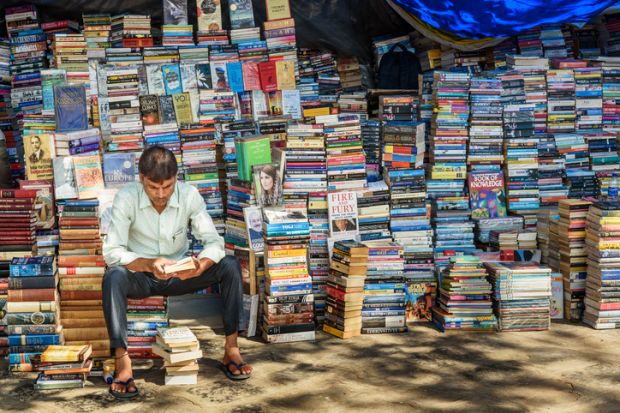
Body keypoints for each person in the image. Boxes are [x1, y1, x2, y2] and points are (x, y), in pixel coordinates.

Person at [102, 146, 252, 400]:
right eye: (153, 187)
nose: (161, 194)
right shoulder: (126, 197)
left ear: (176, 178)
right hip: (143, 277)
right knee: (113, 277)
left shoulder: (189, 195)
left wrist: (202, 264)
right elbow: (111, 251)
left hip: (182, 276)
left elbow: (214, 242)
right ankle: (123, 362)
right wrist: (148, 263)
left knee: (230, 265)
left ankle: (231, 348)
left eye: (168, 186)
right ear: (141, 179)